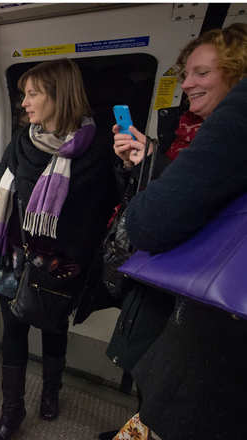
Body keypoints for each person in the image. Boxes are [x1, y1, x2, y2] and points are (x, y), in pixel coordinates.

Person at [0, 58, 115, 440]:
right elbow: (1, 176)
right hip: (13, 257)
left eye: (32, 94)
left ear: (59, 97)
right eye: (23, 94)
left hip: (60, 265)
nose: (24, 103)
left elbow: (104, 215)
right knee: (13, 331)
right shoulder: (23, 143)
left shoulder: (96, 153)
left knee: (53, 328)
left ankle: (51, 393)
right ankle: (11, 412)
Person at [110, 35, 247, 440]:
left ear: (238, 76)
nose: (186, 84)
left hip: (214, 327)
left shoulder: (232, 123)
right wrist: (150, 162)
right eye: (186, 74)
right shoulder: (187, 133)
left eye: (202, 73)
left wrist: (146, 195)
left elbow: (152, 221)